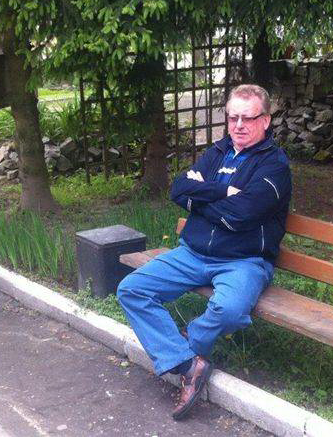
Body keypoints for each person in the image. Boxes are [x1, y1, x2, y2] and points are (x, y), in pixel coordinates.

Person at [117, 84, 292, 420]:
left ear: (265, 120)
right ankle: (189, 364)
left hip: (243, 261)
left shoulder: (274, 166)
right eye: (233, 117)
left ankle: (188, 345)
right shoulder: (218, 152)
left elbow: (242, 215)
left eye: (248, 118)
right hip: (193, 254)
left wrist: (200, 200)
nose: (238, 125)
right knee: (132, 289)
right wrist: (225, 191)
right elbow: (179, 188)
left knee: (229, 310)